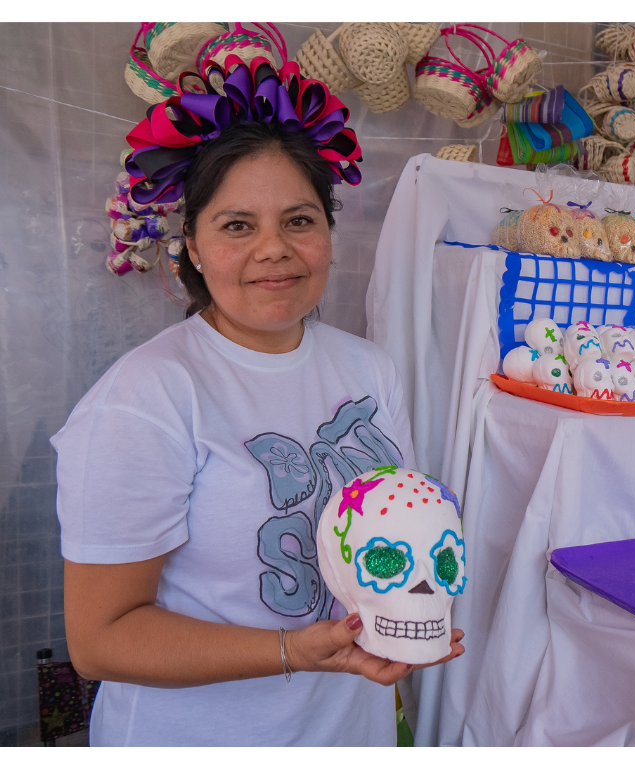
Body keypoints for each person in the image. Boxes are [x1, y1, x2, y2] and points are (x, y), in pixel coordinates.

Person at [51, 61, 463, 746]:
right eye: (237, 226)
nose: (274, 249)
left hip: (347, 732)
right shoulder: (147, 398)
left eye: (299, 220)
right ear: (193, 248)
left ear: (328, 233)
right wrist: (291, 650)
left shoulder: (369, 369)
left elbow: (396, 533)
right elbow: (101, 639)